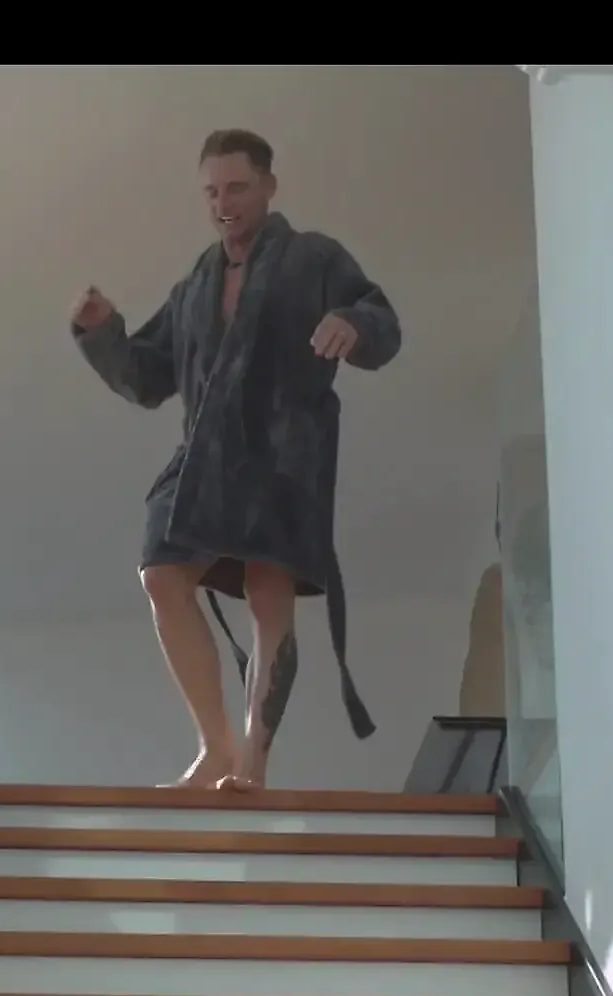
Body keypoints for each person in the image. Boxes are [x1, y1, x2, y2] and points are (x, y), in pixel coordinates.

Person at [70, 128, 403, 792]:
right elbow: (148, 378)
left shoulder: (313, 257)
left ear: (269, 186)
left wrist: (352, 324)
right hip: (206, 452)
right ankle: (215, 745)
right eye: (212, 192)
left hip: (285, 451)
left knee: (268, 594)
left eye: (237, 188)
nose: (223, 204)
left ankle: (252, 763)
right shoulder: (195, 284)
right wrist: (101, 331)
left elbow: (380, 318)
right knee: (162, 574)